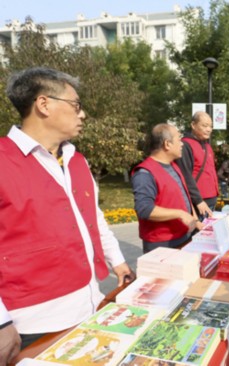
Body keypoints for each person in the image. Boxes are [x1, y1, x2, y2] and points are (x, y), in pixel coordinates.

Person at [0, 67, 135, 364]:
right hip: (31, 324)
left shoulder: (76, 160)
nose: (82, 114)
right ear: (44, 104)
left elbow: (94, 219)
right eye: (75, 105)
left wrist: (119, 262)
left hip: (87, 305)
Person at [132, 123, 202, 253]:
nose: (182, 144)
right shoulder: (145, 173)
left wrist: (196, 221)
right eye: (178, 139)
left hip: (184, 237)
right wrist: (179, 214)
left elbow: (184, 195)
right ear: (167, 144)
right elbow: (144, 209)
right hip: (162, 245)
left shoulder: (173, 166)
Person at [175, 111, 218, 220]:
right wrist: (198, 200)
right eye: (204, 126)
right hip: (198, 202)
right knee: (196, 234)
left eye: (210, 126)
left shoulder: (207, 145)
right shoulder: (185, 145)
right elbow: (185, 175)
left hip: (211, 199)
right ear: (193, 125)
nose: (209, 129)